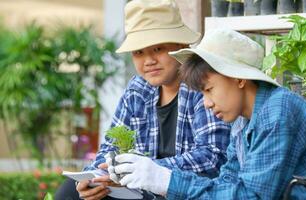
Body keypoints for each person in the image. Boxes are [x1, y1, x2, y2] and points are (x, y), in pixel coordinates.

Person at [112, 28, 306, 199]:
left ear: (238, 78)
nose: (206, 103)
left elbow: (253, 196)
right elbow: (227, 185)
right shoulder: (242, 121)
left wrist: (166, 180)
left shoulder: (278, 111)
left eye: (209, 90)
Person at [55, 1, 230, 199]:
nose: (148, 61)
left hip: (188, 191)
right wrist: (93, 176)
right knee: (73, 190)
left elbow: (213, 157)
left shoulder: (202, 86)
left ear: (180, 45)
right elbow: (110, 147)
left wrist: (146, 171)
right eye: (139, 52)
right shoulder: (138, 89)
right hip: (142, 190)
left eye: (157, 49)